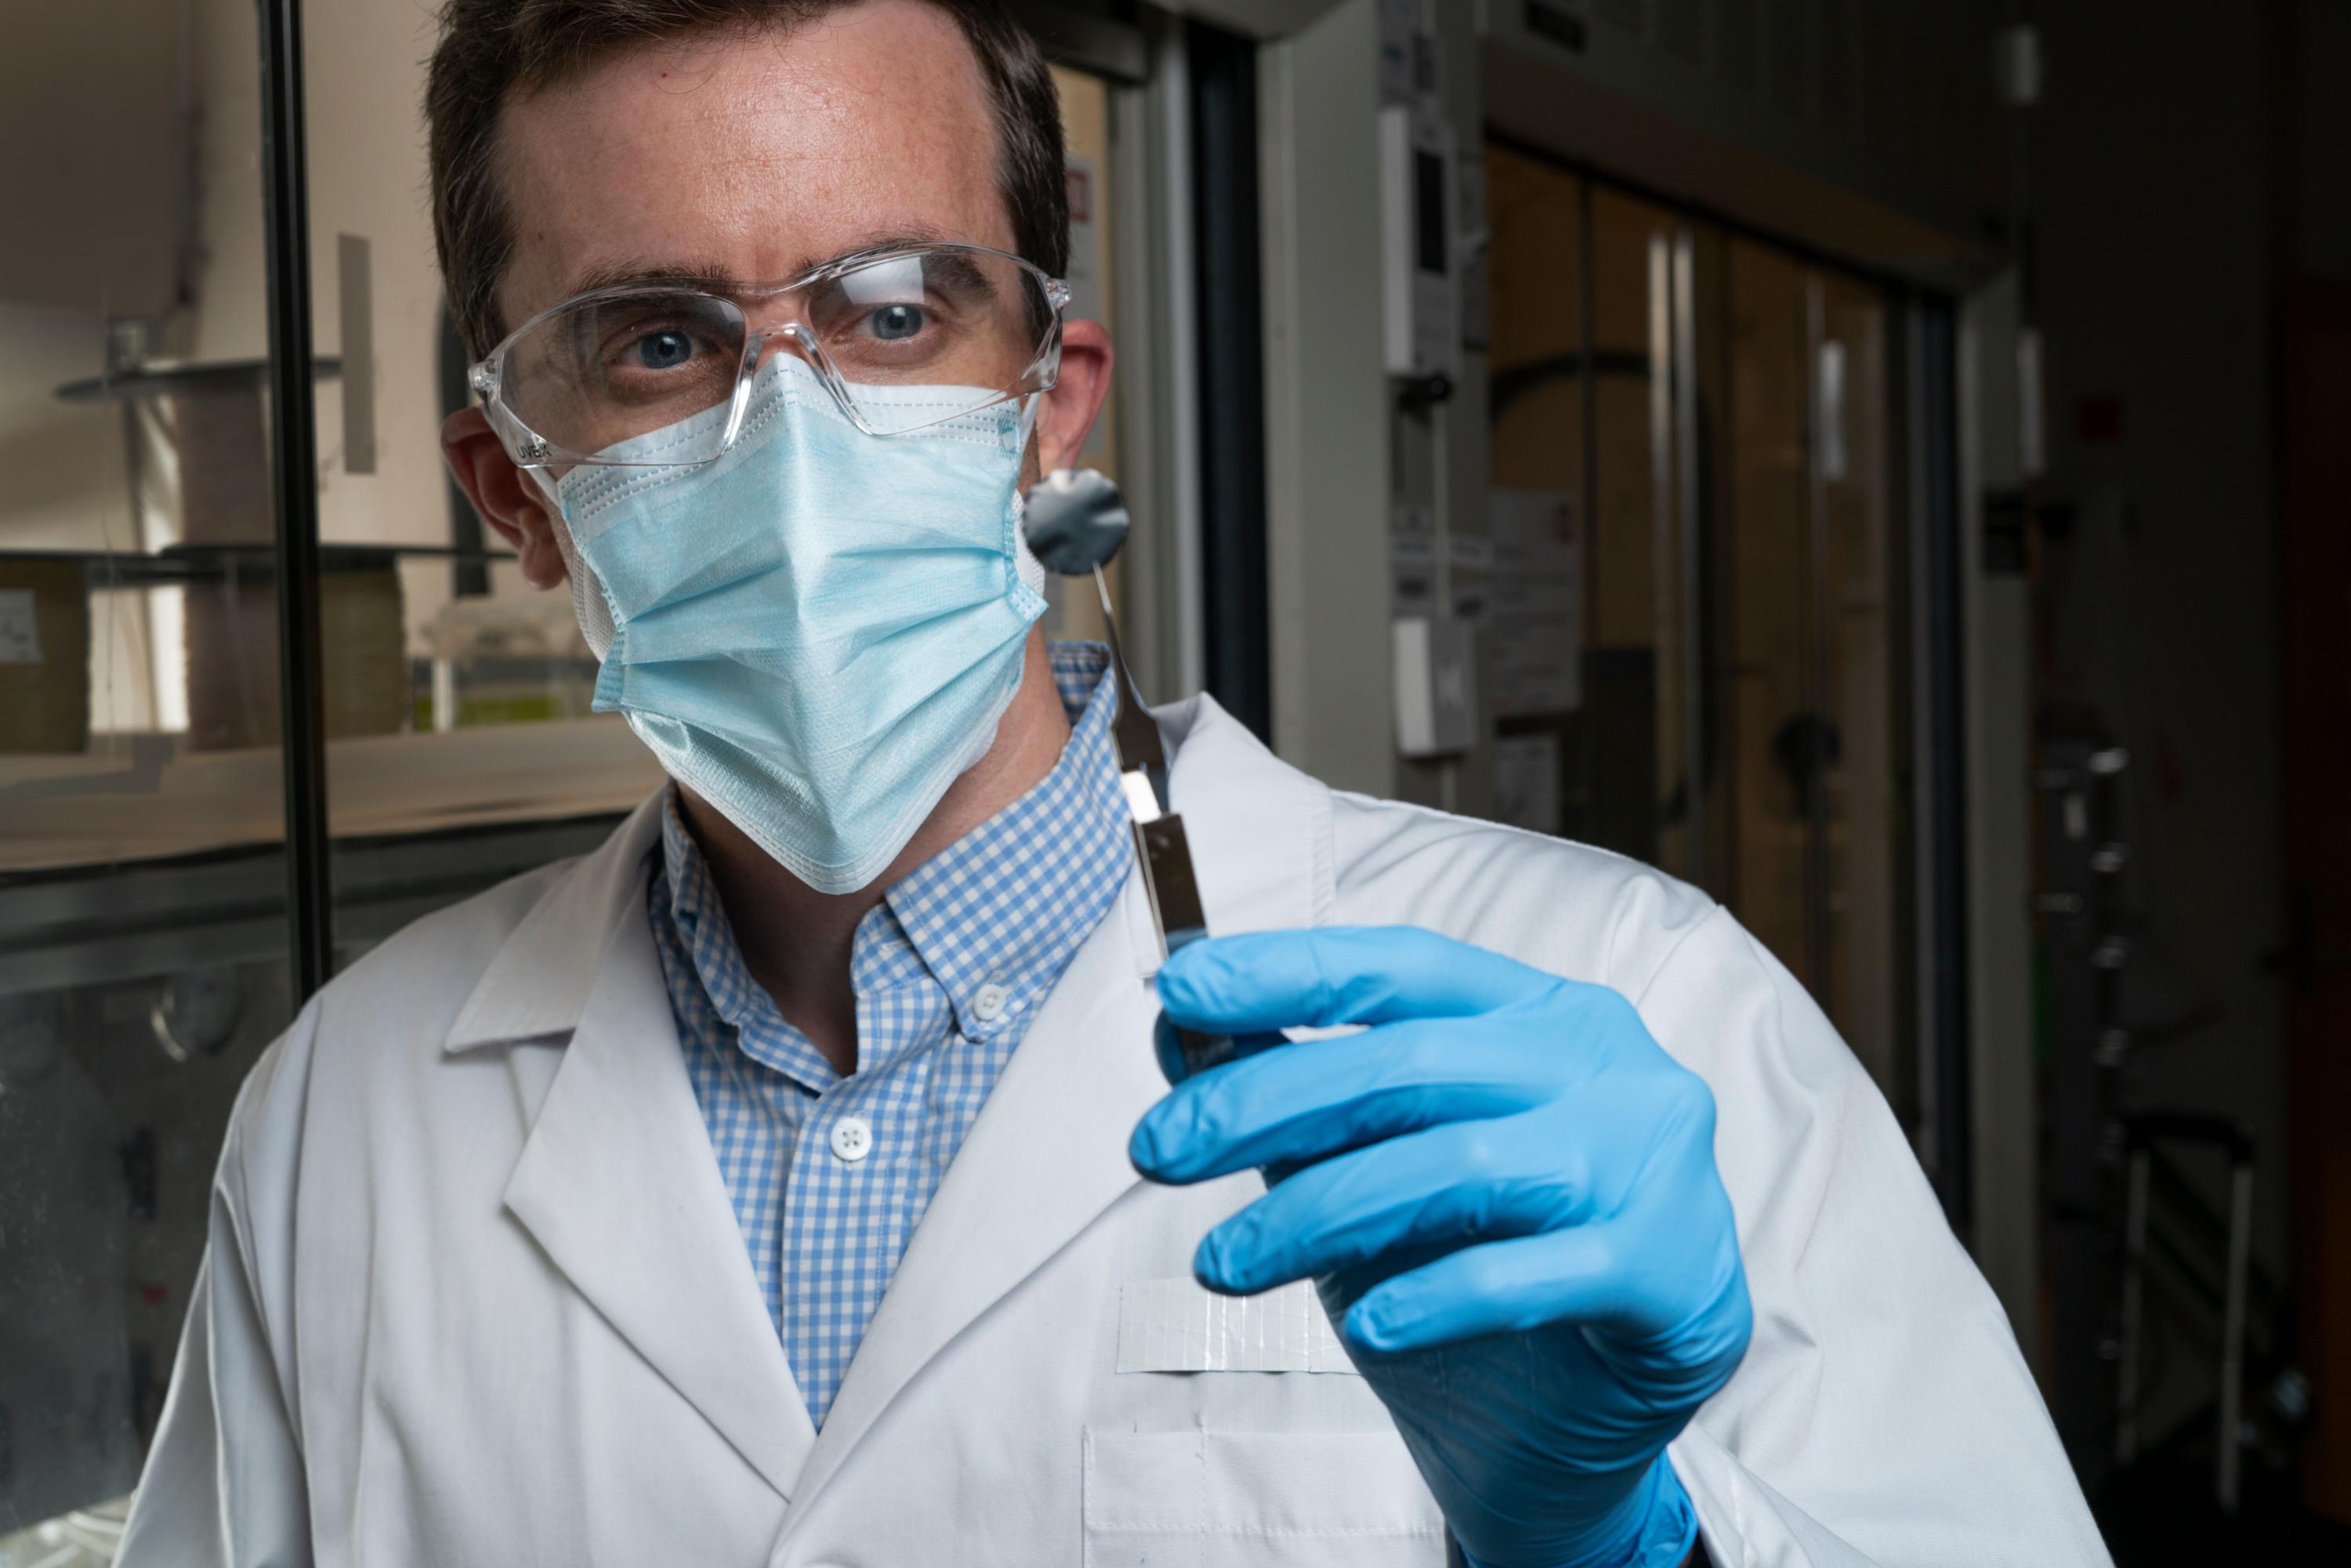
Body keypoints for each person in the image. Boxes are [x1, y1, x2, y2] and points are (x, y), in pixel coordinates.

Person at [116, 2, 2110, 1565]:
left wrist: (1616, 1549)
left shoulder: (1627, 999)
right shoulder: (344, 1120)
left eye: (893, 311)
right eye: (659, 343)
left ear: (1047, 404)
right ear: (515, 493)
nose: (790, 433)